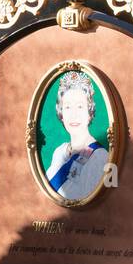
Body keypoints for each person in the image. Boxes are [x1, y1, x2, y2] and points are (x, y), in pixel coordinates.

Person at [43, 70, 109, 201]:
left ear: (89, 113)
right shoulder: (60, 151)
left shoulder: (100, 157)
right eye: (67, 107)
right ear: (61, 114)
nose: (74, 115)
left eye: (80, 107)